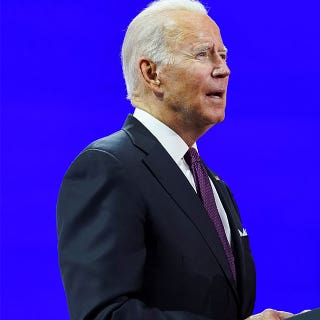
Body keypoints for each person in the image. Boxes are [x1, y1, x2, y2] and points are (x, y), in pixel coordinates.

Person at [56, 0, 294, 319]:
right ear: (152, 73)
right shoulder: (109, 166)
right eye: (202, 54)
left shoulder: (213, 185)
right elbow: (104, 314)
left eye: (223, 56)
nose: (224, 69)